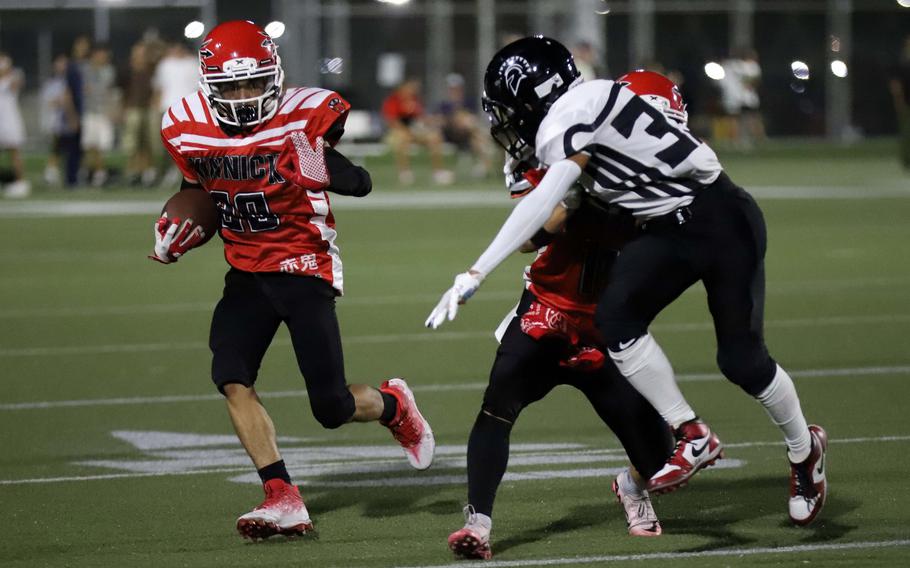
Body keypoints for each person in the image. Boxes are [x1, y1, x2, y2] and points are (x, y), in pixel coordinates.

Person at [426, 37, 828, 527]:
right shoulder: (598, 95)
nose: (505, 124)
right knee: (617, 315)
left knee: (742, 359)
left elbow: (542, 202)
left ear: (531, 99)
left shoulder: (563, 123)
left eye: (510, 109)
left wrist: (475, 271)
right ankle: (691, 433)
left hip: (719, 218)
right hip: (670, 229)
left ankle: (803, 452)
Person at [150, 20, 435, 540]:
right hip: (246, 270)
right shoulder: (186, 125)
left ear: (274, 76)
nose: (242, 96)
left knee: (331, 408)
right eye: (231, 86)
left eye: (253, 83)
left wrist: (320, 165)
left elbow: (362, 182)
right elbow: (200, 192)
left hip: (304, 265)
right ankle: (281, 494)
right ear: (209, 86)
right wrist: (178, 231)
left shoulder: (305, 115)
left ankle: (393, 404)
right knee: (231, 374)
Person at [439, 170, 675, 559]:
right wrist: (569, 203)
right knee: (497, 409)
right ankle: (478, 523)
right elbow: (529, 238)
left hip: (606, 327)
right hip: (545, 313)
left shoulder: (644, 168)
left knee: (661, 459)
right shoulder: (559, 159)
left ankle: (632, 486)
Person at [381, 78, 453, 185]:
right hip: (397, 133)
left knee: (434, 137)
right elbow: (392, 122)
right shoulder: (393, 101)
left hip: (413, 132)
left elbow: (420, 119)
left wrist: (431, 123)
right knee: (402, 139)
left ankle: (438, 172)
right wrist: (407, 131)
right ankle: (405, 173)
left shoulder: (414, 101)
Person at [153, 41, 200, 186]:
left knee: (188, 146)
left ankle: (185, 175)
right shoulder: (165, 64)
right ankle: (169, 172)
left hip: (188, 110)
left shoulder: (193, 63)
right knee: (165, 146)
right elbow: (160, 86)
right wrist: (157, 104)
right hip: (167, 108)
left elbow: (199, 86)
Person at [434, 73, 491, 178]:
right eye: (452, 89)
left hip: (465, 134)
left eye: (457, 88)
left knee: (476, 134)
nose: (455, 91)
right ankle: (439, 171)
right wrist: (454, 119)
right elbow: (439, 120)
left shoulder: (468, 102)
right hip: (448, 134)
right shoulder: (444, 104)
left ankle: (484, 166)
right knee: (434, 137)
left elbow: (472, 119)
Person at [121, 41, 159, 187]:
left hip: (148, 108)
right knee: (132, 143)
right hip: (132, 108)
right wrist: (122, 109)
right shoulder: (128, 69)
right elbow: (122, 91)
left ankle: (147, 172)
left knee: (148, 142)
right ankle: (133, 171)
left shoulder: (151, 68)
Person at [81, 44, 118, 187]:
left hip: (103, 111)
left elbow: (107, 91)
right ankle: (89, 173)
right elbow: (86, 90)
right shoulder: (86, 69)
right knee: (89, 144)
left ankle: (99, 174)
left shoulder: (108, 70)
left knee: (102, 145)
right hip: (90, 111)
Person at [0, 52, 29, 198]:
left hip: (9, 122)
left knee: (14, 152)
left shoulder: (11, 79)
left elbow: (17, 82)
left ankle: (20, 182)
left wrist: (8, 69)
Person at [890, 36, 910, 172]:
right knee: (906, 133)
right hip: (907, 103)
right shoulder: (902, 64)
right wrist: (899, 100)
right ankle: (906, 160)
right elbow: (895, 85)